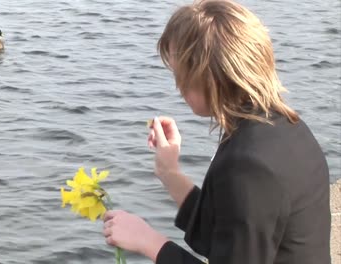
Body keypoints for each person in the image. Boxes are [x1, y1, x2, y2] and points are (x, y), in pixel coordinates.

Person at [102, 0, 331, 263]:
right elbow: (229, 235)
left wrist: (150, 242)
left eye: (181, 74)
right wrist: (169, 173)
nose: (178, 86)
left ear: (210, 78)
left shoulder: (249, 165)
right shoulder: (285, 128)